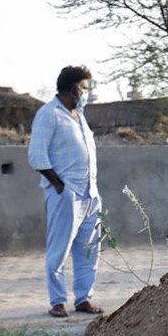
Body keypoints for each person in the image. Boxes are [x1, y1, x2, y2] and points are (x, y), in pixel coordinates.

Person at [27, 65, 104, 318]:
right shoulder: (49, 114)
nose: (87, 92)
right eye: (84, 88)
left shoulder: (79, 115)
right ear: (73, 89)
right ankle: (58, 301)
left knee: (89, 250)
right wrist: (59, 186)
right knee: (59, 250)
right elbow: (36, 156)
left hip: (90, 193)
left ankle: (84, 298)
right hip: (66, 193)